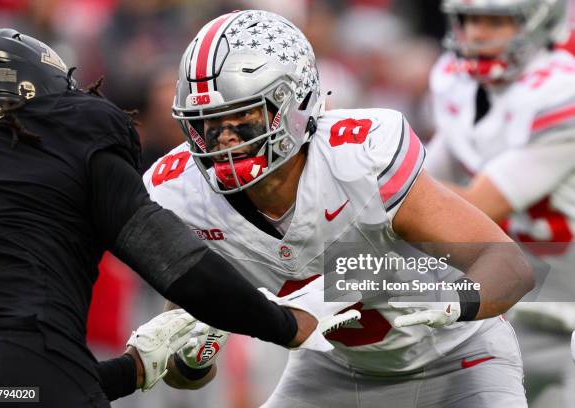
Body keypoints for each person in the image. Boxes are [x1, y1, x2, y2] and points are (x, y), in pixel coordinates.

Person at [144, 10, 534, 407]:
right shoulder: (183, 193)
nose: (225, 138)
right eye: (209, 121)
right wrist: (191, 358)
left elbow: (510, 266)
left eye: (243, 115)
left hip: (459, 358)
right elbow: (184, 367)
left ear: (295, 102)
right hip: (335, 370)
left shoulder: (358, 158)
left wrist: (451, 300)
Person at [0, 28, 354, 408]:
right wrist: (285, 324)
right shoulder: (155, 174)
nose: (227, 139)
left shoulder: (351, 145)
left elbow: (1, 390)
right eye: (213, 123)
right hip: (39, 354)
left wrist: (133, 370)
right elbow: (175, 265)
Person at [425, 1, 575, 407]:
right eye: (469, 19)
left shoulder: (562, 91)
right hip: (521, 306)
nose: (476, 33)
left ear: (541, 20)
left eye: (495, 20)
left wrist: (370, 172)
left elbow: (475, 205)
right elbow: (423, 172)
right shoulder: (453, 80)